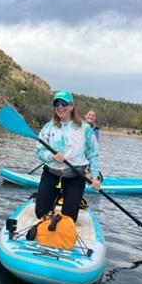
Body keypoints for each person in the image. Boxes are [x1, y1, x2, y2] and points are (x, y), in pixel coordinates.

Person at [34, 91, 101, 223]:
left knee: (69, 218)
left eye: (63, 103)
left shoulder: (85, 128)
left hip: (75, 175)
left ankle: (64, 209)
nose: (60, 107)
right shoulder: (48, 127)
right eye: (56, 104)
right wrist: (51, 156)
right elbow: (39, 151)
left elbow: (93, 154)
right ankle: (52, 209)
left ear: (71, 106)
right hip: (51, 173)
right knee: (40, 213)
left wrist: (95, 177)